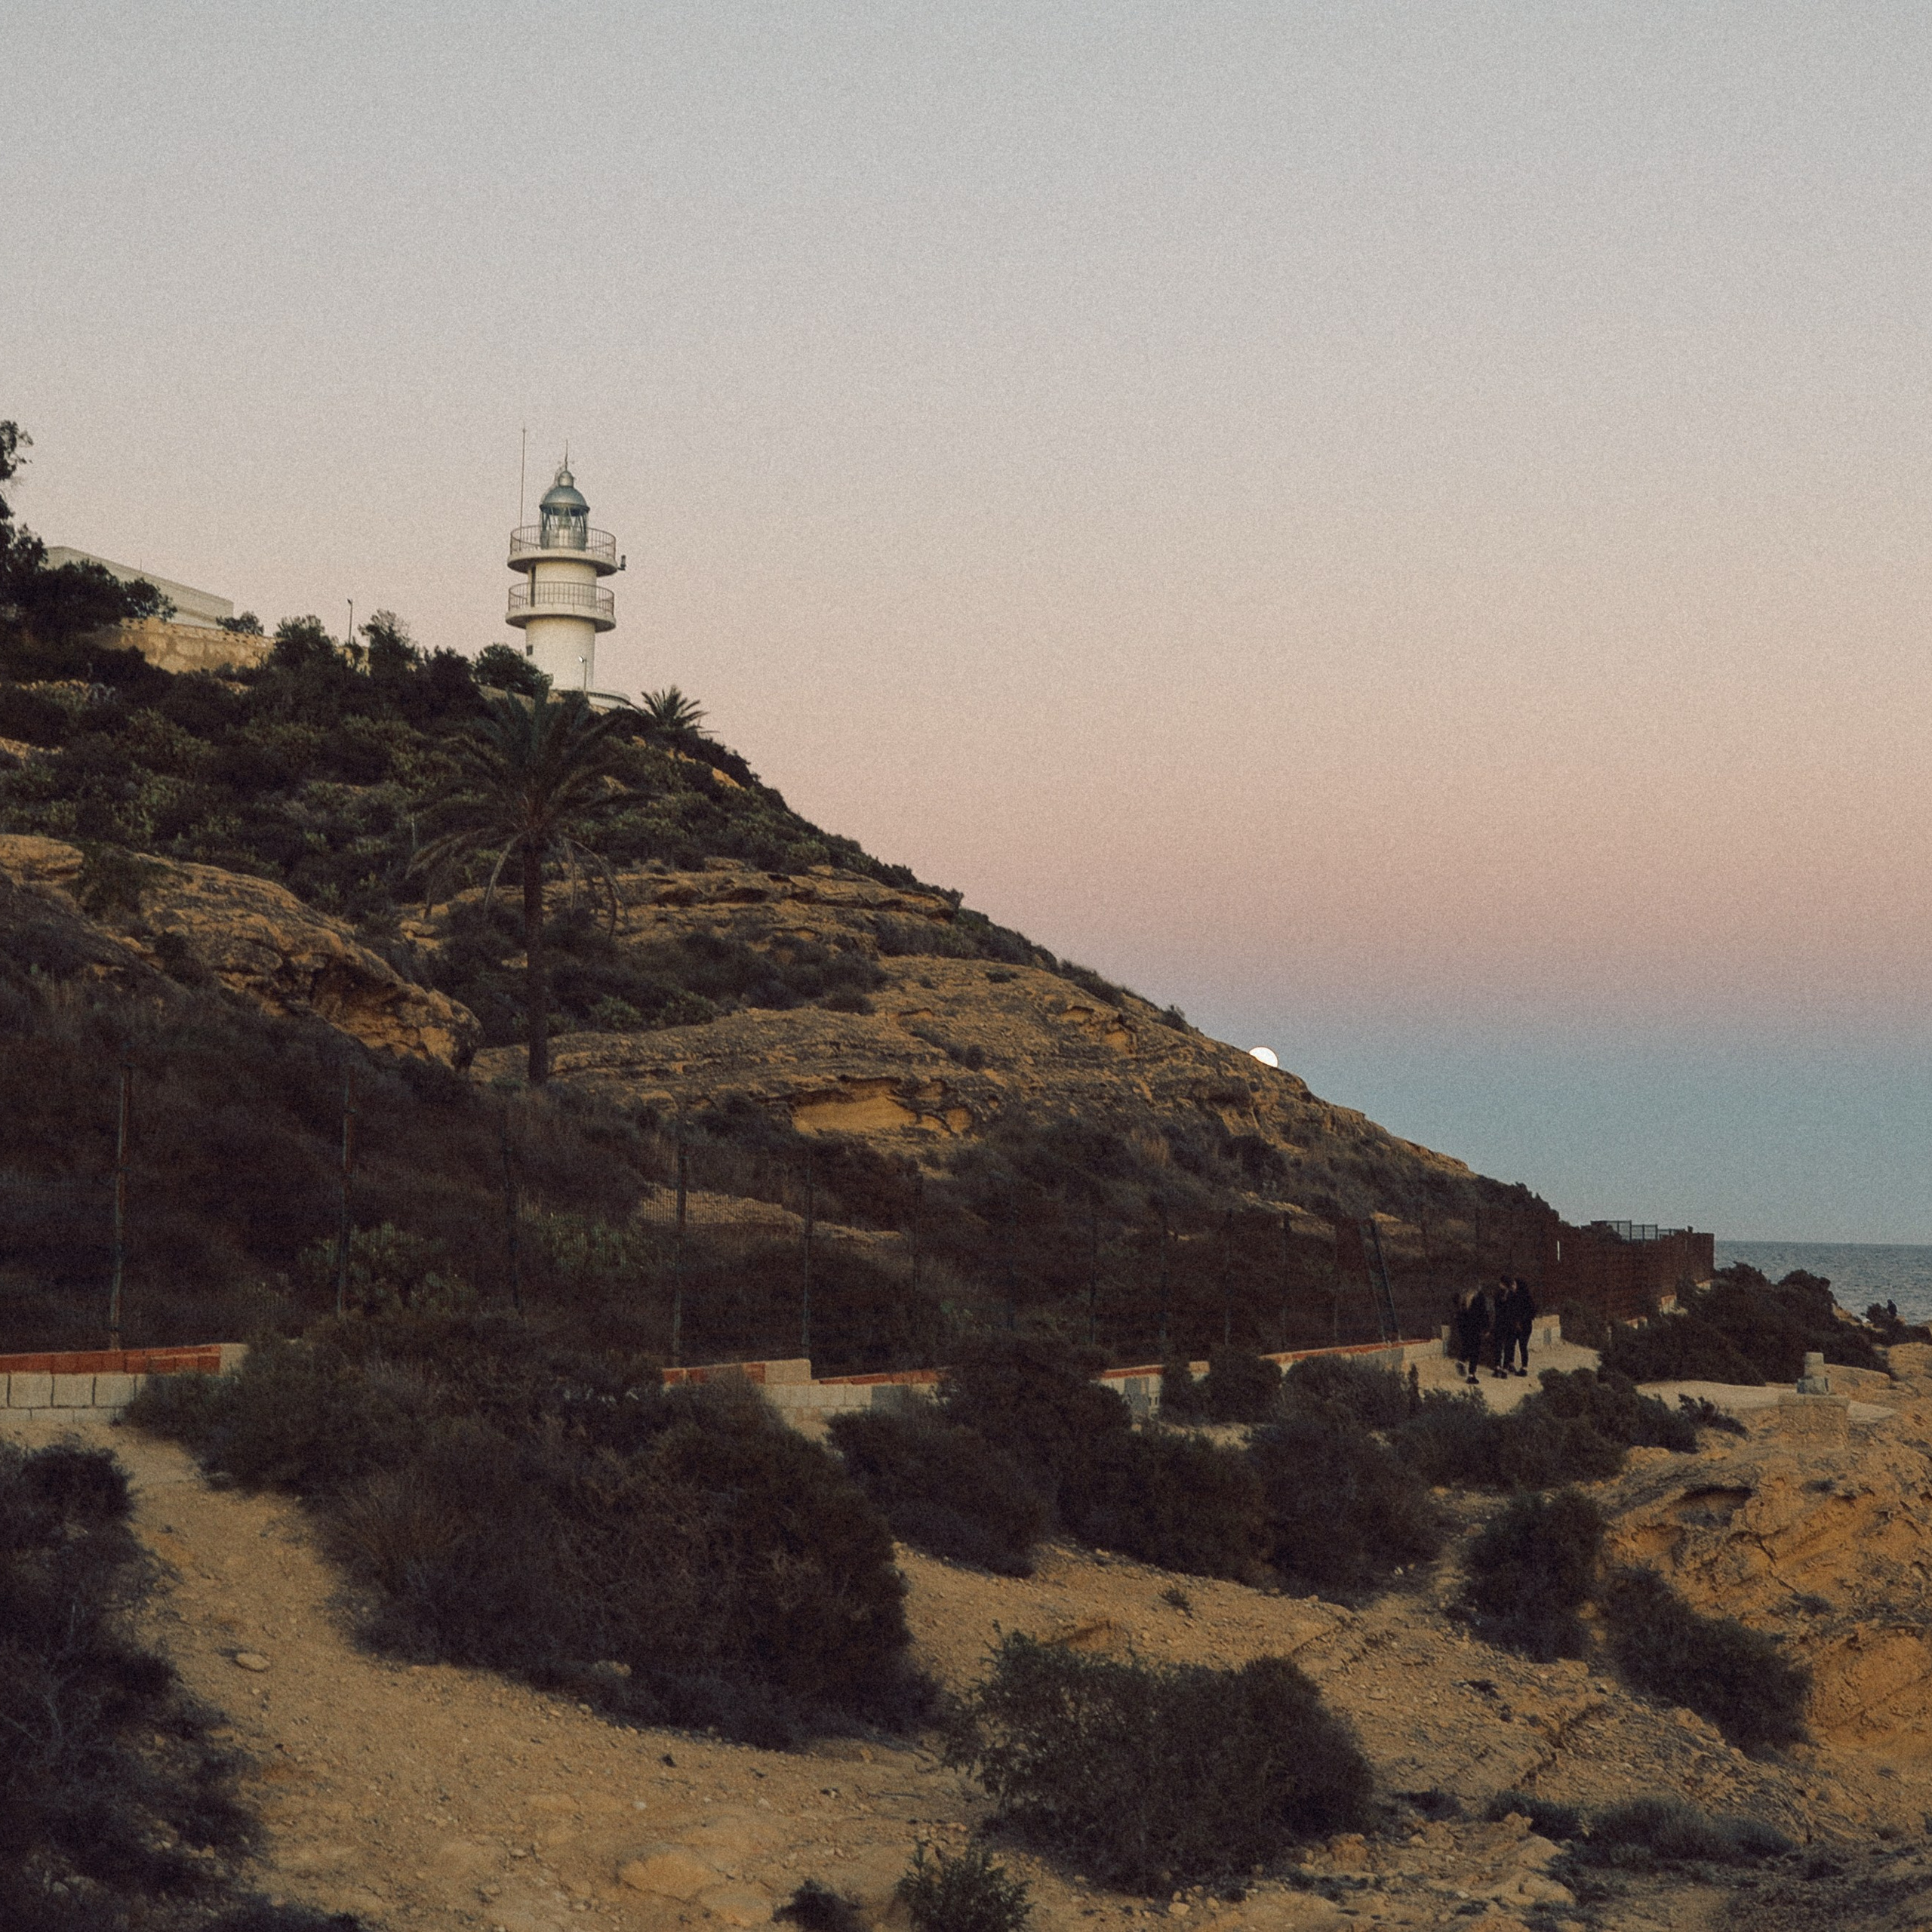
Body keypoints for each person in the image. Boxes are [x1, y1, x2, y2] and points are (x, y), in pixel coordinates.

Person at [1454, 1284, 1489, 1387]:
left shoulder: (1463, 1296)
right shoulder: (1479, 1297)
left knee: (1467, 1346)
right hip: (1475, 1327)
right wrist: (1486, 1328)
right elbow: (1483, 1313)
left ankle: (1461, 1360)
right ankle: (1471, 1374)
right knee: (1475, 1351)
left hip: (1464, 1327)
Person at [1505, 1277, 1539, 1377]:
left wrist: (1521, 1321)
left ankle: (1524, 1368)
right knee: (1511, 1344)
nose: (1513, 1287)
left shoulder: (1526, 1298)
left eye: (1515, 1285)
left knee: (1522, 1346)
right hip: (1515, 1325)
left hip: (1524, 1326)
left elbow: (1530, 1312)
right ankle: (1511, 1363)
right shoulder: (1512, 1296)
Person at [1489, 1275, 1514, 1379]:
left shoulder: (1497, 1295)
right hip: (1510, 1324)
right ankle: (1505, 1369)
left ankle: (1497, 1367)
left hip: (1499, 1322)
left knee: (1498, 1345)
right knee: (1508, 1346)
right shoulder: (1512, 1295)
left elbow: (1496, 1309)